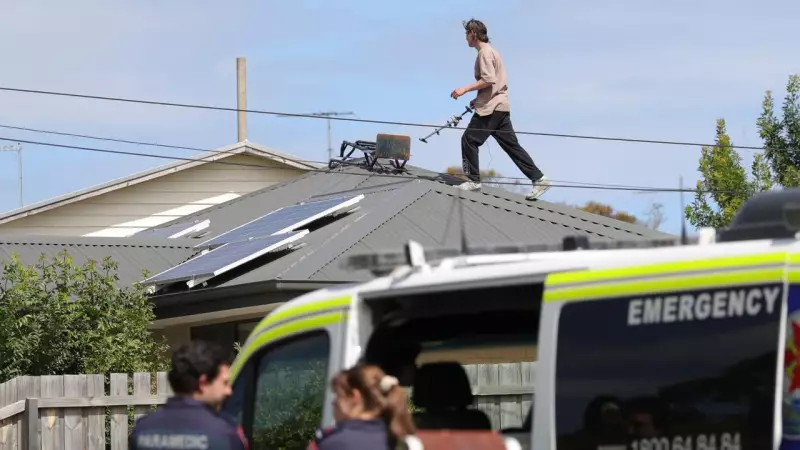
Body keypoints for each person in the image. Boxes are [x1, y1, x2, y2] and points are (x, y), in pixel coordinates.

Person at [450, 18, 551, 201]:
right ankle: (539, 179)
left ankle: (473, 181)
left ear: (473, 34)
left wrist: (464, 90)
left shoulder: (485, 53)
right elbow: (494, 83)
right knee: (512, 146)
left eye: (466, 34)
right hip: (500, 106)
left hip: (491, 108)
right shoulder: (492, 51)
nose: (465, 38)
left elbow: (489, 79)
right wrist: (478, 99)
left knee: (469, 140)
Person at [129, 340, 248, 450]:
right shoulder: (224, 434)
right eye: (224, 383)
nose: (228, 391)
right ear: (203, 383)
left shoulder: (142, 429)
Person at [308, 363, 416, 450]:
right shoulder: (401, 442)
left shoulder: (334, 444)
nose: (333, 402)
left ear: (354, 397)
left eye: (338, 395)